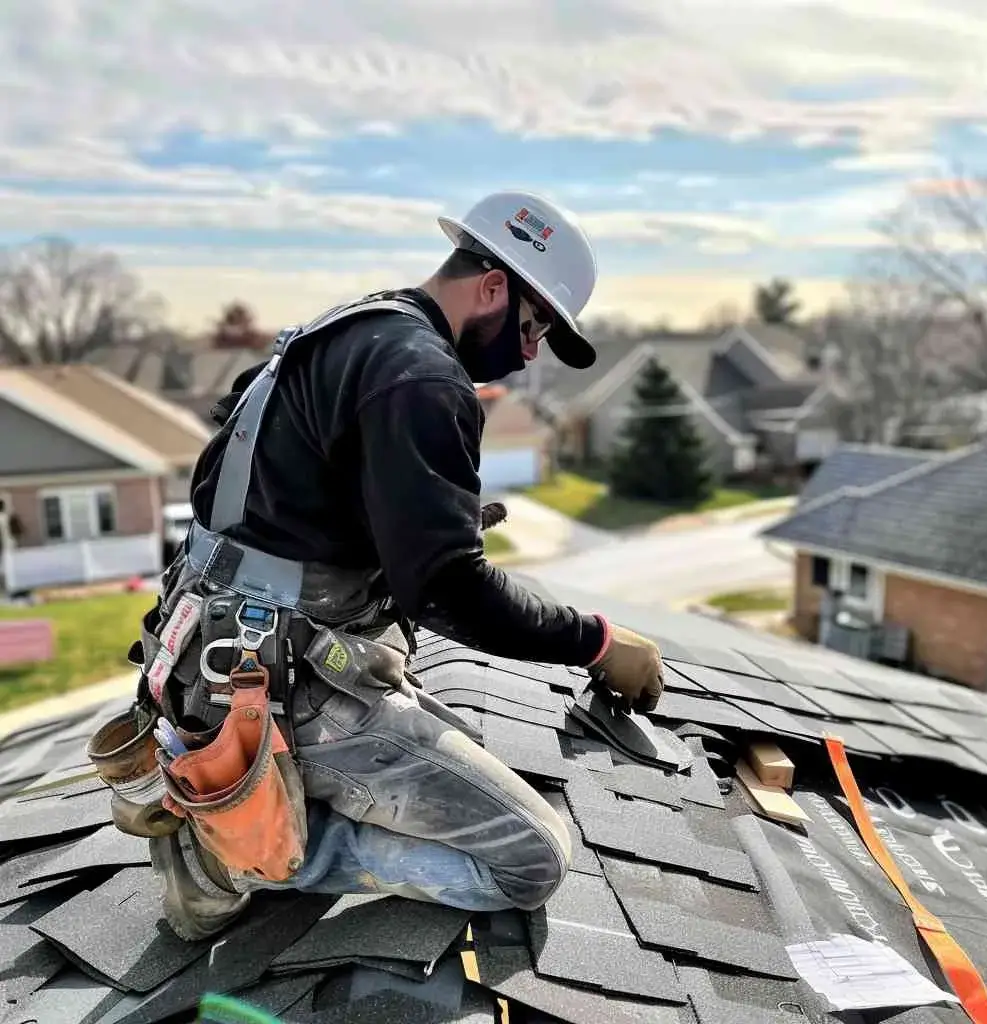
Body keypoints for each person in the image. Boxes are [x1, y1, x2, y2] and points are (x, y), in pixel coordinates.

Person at [86, 190, 665, 941]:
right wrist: (597, 641)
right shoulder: (423, 375)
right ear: (493, 286)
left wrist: (394, 513)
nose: (530, 354)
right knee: (531, 861)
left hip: (201, 657)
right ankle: (244, 849)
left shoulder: (340, 331)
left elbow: (255, 478)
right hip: (282, 689)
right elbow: (448, 590)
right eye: (533, 327)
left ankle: (247, 800)